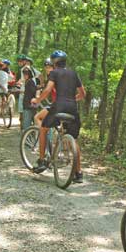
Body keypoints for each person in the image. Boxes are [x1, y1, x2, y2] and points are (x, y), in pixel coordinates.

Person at [31, 50, 85, 183]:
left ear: (54, 63)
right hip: (73, 108)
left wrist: (37, 100)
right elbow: (83, 94)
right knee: (73, 139)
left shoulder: (54, 73)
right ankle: (78, 173)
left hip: (58, 106)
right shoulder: (74, 73)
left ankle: (42, 160)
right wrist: (72, 100)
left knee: (43, 128)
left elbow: (48, 90)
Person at [34, 58, 56, 127]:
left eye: (49, 67)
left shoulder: (53, 77)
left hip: (57, 104)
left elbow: (46, 91)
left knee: (37, 117)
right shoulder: (59, 76)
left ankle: (43, 136)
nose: (47, 69)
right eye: (46, 68)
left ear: (53, 67)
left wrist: (38, 99)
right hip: (67, 104)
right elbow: (44, 89)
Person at [21, 66, 38, 131]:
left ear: (29, 74)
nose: (25, 75)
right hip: (27, 105)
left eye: (26, 74)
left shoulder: (30, 82)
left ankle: (27, 137)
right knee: (27, 124)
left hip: (29, 105)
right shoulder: (28, 81)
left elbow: (33, 91)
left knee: (26, 125)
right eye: (24, 74)